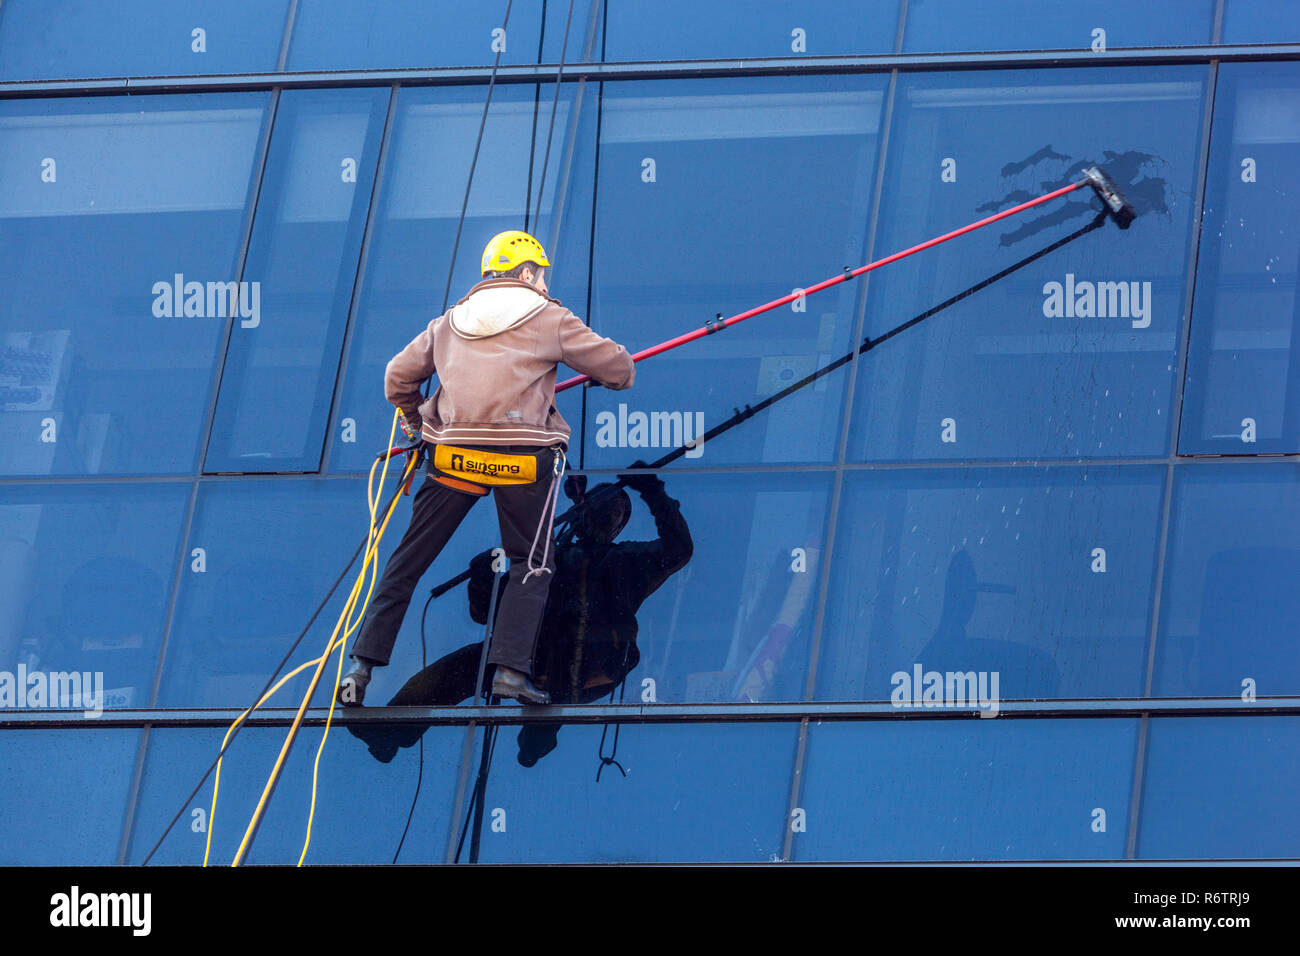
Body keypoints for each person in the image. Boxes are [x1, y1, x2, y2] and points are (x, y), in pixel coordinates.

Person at [338, 230, 635, 706]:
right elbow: (620, 370)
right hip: (521, 464)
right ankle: (510, 675)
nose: (542, 283)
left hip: (453, 459)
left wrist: (417, 422)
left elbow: (397, 378)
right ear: (525, 273)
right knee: (531, 565)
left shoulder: (448, 324)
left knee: (407, 563)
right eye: (539, 275)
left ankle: (361, 667)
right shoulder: (550, 317)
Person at [347, 465, 693, 765]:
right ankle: (390, 732)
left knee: (552, 653)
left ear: (619, 526)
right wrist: (484, 574)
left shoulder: (626, 562)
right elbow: (484, 614)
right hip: (538, 663)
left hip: (594, 661)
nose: (607, 515)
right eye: (601, 507)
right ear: (581, 512)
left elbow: (678, 548)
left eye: (616, 511)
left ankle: (538, 733)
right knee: (460, 667)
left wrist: (654, 492)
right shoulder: (545, 558)